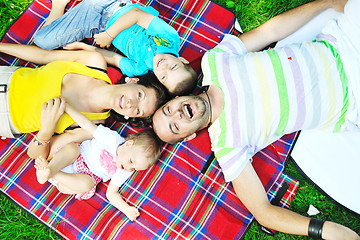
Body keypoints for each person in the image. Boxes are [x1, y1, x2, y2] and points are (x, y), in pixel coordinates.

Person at [152, 0, 360, 238]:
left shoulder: (214, 60)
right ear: (188, 135)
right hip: (354, 96)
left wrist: (328, 4)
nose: (176, 115)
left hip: (343, 40)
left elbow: (270, 31)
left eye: (169, 110)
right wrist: (323, 229)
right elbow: (262, 211)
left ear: (177, 98)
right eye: (175, 127)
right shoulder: (227, 146)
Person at [28, 98, 162, 221]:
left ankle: (50, 173)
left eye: (134, 168)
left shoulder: (125, 172)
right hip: (71, 159)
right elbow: (86, 124)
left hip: (72, 180)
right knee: (73, 149)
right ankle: (49, 170)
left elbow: (112, 193)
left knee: (88, 185)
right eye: (131, 162)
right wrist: (68, 108)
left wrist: (126, 209)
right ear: (128, 144)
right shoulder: (112, 139)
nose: (129, 168)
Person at [0, 43, 169, 138]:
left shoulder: (93, 127)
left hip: (5, 119)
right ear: (133, 80)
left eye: (138, 111)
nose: (132, 103)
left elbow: (39, 156)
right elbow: (44, 56)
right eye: (140, 95)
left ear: (130, 117)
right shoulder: (93, 61)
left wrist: (46, 130)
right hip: (6, 78)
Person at [33, 0, 197, 96]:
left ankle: (58, 6)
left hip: (96, 23)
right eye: (174, 66)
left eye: (164, 77)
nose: (164, 67)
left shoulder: (141, 68)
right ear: (182, 60)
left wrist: (81, 46)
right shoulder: (169, 39)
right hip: (114, 5)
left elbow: (113, 58)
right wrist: (110, 35)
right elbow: (136, 15)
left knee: (43, 41)